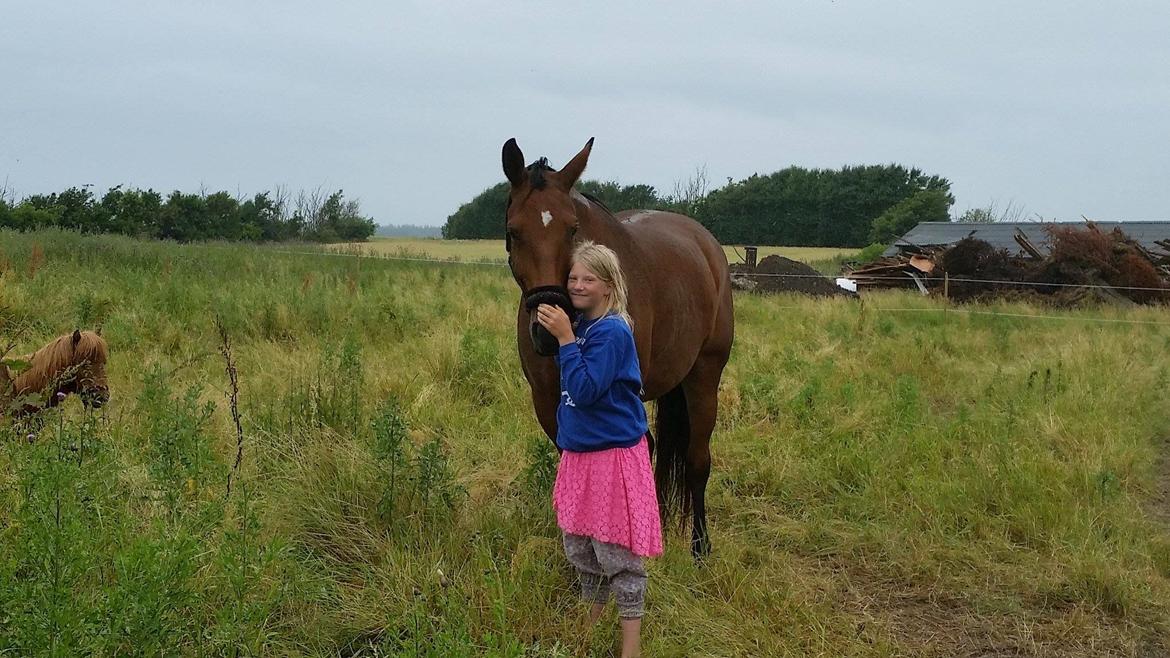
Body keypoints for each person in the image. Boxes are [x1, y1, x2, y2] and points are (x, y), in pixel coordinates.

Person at [535, 241, 662, 658]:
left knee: (617, 554)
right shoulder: (583, 325)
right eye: (572, 277)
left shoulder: (611, 331)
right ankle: (588, 626)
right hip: (580, 455)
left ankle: (631, 647)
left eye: (589, 279)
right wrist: (564, 336)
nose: (577, 285)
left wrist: (567, 341)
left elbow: (586, 391)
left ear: (609, 286)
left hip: (612, 456)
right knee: (581, 549)